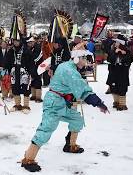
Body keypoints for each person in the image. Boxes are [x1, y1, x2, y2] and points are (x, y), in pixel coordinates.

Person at [20, 44, 109, 172]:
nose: (87, 61)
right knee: (46, 129)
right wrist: (98, 103)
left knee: (77, 120)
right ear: (77, 58)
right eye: (85, 58)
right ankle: (28, 159)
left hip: (63, 102)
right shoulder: (70, 71)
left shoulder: (68, 65)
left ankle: (70, 145)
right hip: (54, 103)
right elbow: (83, 90)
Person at [106, 34, 133, 111]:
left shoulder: (127, 51)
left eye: (117, 43)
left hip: (122, 72)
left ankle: (122, 104)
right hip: (113, 72)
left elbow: (129, 61)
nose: (115, 44)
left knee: (122, 87)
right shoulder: (112, 50)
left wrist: (122, 53)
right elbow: (109, 59)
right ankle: (116, 102)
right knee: (113, 86)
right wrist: (115, 53)